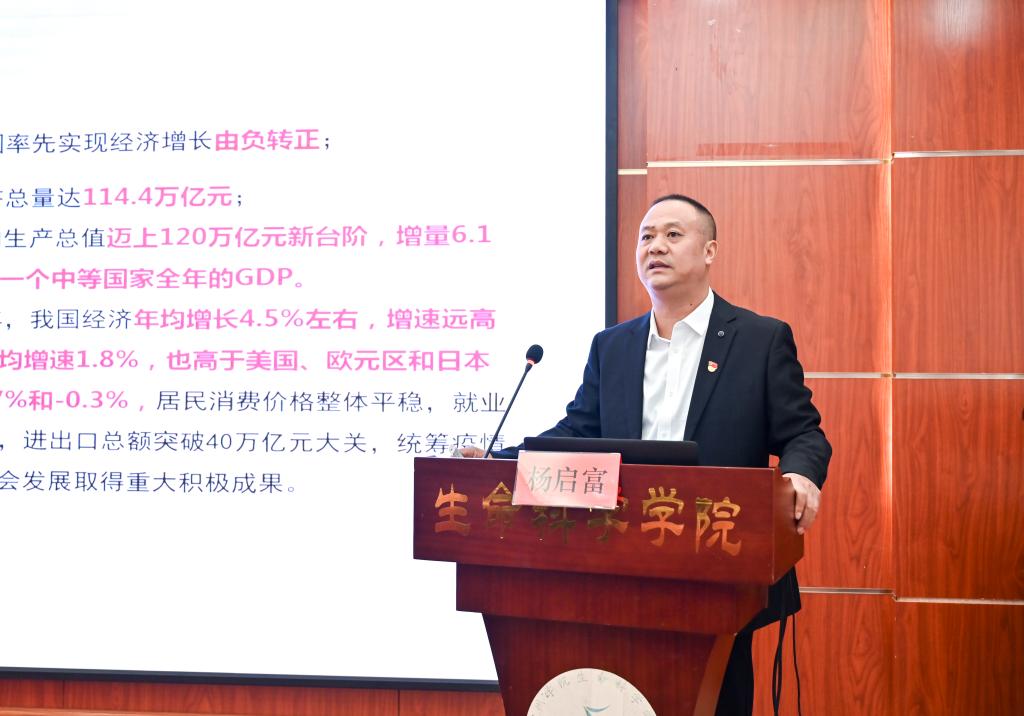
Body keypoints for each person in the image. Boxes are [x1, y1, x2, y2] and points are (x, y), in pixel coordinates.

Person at [463, 194, 831, 715]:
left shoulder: (759, 339)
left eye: (673, 234)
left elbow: (804, 434)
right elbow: (577, 432)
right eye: (646, 236)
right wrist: (499, 461)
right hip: (618, 566)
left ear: (709, 251)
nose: (655, 246)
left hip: (717, 570)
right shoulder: (611, 346)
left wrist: (801, 475)